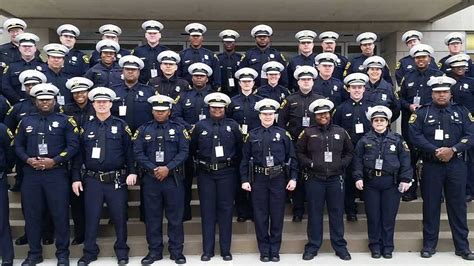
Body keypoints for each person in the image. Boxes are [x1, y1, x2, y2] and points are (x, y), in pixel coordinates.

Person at [409, 76, 474, 260]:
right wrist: (435, 150)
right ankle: (429, 246)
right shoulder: (422, 112)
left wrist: (454, 149)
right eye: (437, 92)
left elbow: (471, 134)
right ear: (432, 93)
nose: (441, 95)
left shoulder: (462, 111)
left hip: (457, 165)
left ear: (450, 93)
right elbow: (414, 135)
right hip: (432, 165)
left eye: (444, 91)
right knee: (430, 206)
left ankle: (462, 247)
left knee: (458, 207)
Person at [15, 83, 80, 266]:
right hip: (31, 175)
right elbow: (18, 145)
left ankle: (62, 254)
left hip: (56, 175)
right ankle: (34, 254)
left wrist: (56, 160)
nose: (45, 102)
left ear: (54, 101)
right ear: (36, 101)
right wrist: (27, 160)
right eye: (41, 99)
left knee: (59, 215)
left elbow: (73, 146)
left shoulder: (66, 121)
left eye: (48, 99)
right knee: (32, 215)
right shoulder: (26, 121)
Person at [72, 87, 136, 266]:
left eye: (105, 102)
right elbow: (79, 155)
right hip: (92, 180)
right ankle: (89, 251)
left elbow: (129, 152)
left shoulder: (121, 125)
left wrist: (132, 171)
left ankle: (122, 250)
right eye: (98, 102)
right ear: (93, 104)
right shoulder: (86, 127)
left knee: (119, 217)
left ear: (110, 104)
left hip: (116, 179)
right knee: (91, 217)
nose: (101, 104)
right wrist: (76, 178)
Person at [240, 98, 298, 262]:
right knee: (260, 215)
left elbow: (292, 158)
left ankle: (275, 249)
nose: (267, 117)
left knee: (277, 214)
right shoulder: (252, 135)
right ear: (259, 116)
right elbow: (244, 159)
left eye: (271, 114)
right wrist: (245, 179)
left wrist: (293, 178)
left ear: (275, 115)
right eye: (264, 114)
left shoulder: (283, 134)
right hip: (258, 179)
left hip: (278, 178)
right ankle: (264, 250)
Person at [296, 98, 353, 261]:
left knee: (336, 213)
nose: (323, 116)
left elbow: (350, 152)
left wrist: (341, 164)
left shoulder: (340, 132)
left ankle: (340, 247)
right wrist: (310, 163)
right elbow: (299, 152)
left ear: (330, 114)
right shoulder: (307, 132)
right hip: (315, 179)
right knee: (314, 213)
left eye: (326, 113)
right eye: (320, 114)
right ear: (315, 115)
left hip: (336, 179)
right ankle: (313, 247)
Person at [134, 95, 189, 265]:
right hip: (151, 179)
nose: (160, 114)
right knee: (152, 217)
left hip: (173, 180)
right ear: (152, 111)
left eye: (163, 111)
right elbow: (137, 152)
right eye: (157, 111)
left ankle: (176, 251)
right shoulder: (143, 129)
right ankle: (154, 251)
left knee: (175, 218)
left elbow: (184, 151)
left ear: (169, 112)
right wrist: (153, 168)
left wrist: (168, 168)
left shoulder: (179, 129)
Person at [353, 105, 412, 259]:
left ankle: (387, 247)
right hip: (371, 183)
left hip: (391, 183)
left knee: (388, 217)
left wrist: (405, 179)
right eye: (376, 120)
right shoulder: (364, 140)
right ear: (372, 123)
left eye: (382, 120)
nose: (379, 122)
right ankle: (375, 246)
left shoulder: (397, 140)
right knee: (373, 216)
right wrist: (358, 177)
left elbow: (405, 160)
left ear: (387, 122)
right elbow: (357, 160)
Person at [190, 92, 242, 262]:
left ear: (225, 108)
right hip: (206, 174)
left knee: (226, 211)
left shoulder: (233, 126)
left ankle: (225, 250)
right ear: (209, 108)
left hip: (227, 173)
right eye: (214, 107)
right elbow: (192, 149)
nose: (217, 110)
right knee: (207, 211)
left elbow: (240, 150)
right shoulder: (200, 126)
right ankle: (208, 250)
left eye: (220, 108)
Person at [398, 44, 444, 202]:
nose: (421, 60)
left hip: (432, 122)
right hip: (411, 122)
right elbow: (400, 98)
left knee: (432, 156)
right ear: (414, 60)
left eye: (424, 57)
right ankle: (410, 191)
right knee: (410, 156)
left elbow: (445, 98)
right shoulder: (407, 76)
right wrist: (409, 105)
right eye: (417, 58)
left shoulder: (438, 75)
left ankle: (433, 192)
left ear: (429, 58)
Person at [278, 65, 323, 222]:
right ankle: (298, 210)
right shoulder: (290, 100)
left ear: (313, 82)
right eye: (303, 79)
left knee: (313, 178)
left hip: (315, 145)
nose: (306, 82)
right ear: (298, 82)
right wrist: (287, 140)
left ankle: (312, 208)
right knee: (295, 175)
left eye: (309, 79)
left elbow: (325, 121)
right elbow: (281, 122)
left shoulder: (319, 100)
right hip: (295, 144)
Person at [171, 62, 215, 221]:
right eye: (196, 76)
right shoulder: (183, 96)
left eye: (202, 76)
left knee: (209, 180)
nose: (198, 78)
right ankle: (185, 212)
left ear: (207, 78)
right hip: (187, 142)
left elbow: (220, 115)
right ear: (191, 77)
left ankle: (210, 214)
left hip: (209, 142)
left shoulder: (213, 96)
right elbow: (175, 116)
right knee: (185, 179)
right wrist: (190, 127)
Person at [333, 73, 373, 221]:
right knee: (349, 181)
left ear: (364, 89)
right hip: (348, 151)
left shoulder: (372, 108)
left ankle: (369, 209)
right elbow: (336, 129)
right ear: (348, 89)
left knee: (369, 181)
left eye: (360, 87)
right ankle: (350, 211)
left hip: (368, 151)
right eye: (353, 87)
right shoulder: (341, 109)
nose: (356, 90)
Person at [227, 67, 263, 222]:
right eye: (244, 81)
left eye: (249, 81)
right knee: (239, 178)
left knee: (255, 179)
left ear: (254, 83)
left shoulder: (260, 102)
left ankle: (255, 211)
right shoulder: (232, 102)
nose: (246, 84)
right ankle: (242, 211)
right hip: (238, 145)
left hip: (256, 145)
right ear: (239, 83)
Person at [63, 77, 95, 246]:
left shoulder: (96, 107)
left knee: (94, 200)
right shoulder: (66, 110)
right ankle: (80, 233)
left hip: (93, 158)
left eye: (82, 92)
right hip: (73, 157)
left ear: (88, 92)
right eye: (75, 93)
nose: (79, 95)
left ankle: (94, 232)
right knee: (76, 200)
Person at [446, 53, 474, 202]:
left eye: (463, 66)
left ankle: (469, 190)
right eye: (457, 66)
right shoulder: (447, 84)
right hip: (451, 124)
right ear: (452, 67)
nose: (460, 68)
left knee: (469, 158)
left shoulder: (471, 82)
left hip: (469, 124)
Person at [111, 55, 155, 132]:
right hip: (118, 133)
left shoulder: (149, 91)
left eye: (133, 69)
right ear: (123, 71)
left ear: (138, 72)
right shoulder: (113, 91)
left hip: (143, 134)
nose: (130, 72)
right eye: (127, 69)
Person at [2, 32, 46, 104]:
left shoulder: (44, 66)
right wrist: (18, 100)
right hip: (17, 104)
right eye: (24, 46)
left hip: (40, 104)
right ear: (19, 48)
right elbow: (5, 86)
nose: (27, 48)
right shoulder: (11, 67)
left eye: (30, 46)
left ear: (35, 48)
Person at [178, 23, 221, 90]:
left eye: (198, 36)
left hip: (206, 89)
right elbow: (178, 75)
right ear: (189, 38)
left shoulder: (210, 55)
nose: (195, 38)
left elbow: (216, 75)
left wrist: (216, 88)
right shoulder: (182, 54)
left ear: (202, 38)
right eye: (193, 36)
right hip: (186, 89)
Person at [363, 56, 400, 122]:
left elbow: (396, 108)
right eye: (372, 69)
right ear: (367, 71)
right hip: (365, 125)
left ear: (381, 71)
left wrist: (386, 122)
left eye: (377, 69)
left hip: (382, 126)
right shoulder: (361, 86)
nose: (375, 72)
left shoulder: (389, 87)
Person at [0, 121, 15, 266]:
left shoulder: (2, 128)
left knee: (1, 220)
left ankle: (7, 257)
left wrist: (6, 167)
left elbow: (10, 152)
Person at [217, 29, 243, 97]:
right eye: (226, 42)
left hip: (237, 91)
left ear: (235, 43)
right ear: (223, 43)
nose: (228, 44)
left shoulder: (241, 58)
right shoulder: (217, 58)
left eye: (231, 42)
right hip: (221, 91)